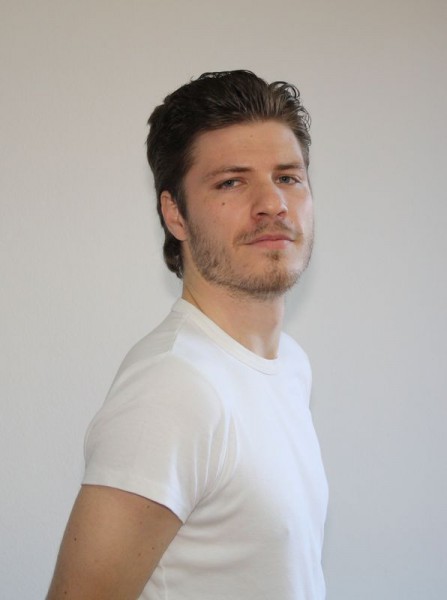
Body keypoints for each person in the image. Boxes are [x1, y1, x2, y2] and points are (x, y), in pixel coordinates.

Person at [47, 70, 328, 600]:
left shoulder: (290, 364)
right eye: (231, 182)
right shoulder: (173, 389)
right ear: (174, 213)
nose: (272, 203)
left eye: (288, 177)